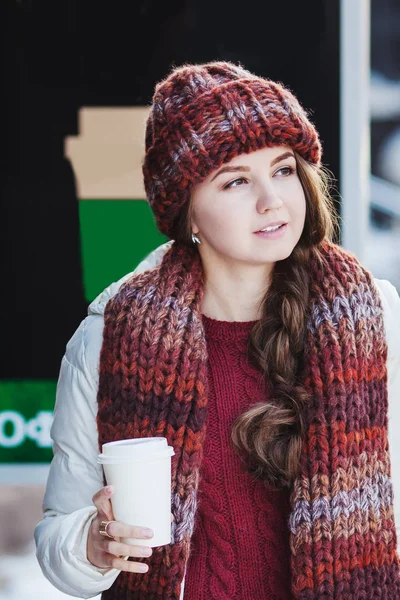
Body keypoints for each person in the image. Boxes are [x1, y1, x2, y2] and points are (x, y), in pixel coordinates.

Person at [34, 61, 400, 600]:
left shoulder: (373, 314)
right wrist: (92, 545)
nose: (271, 200)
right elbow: (57, 533)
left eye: (282, 169)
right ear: (188, 214)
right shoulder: (111, 335)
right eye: (235, 181)